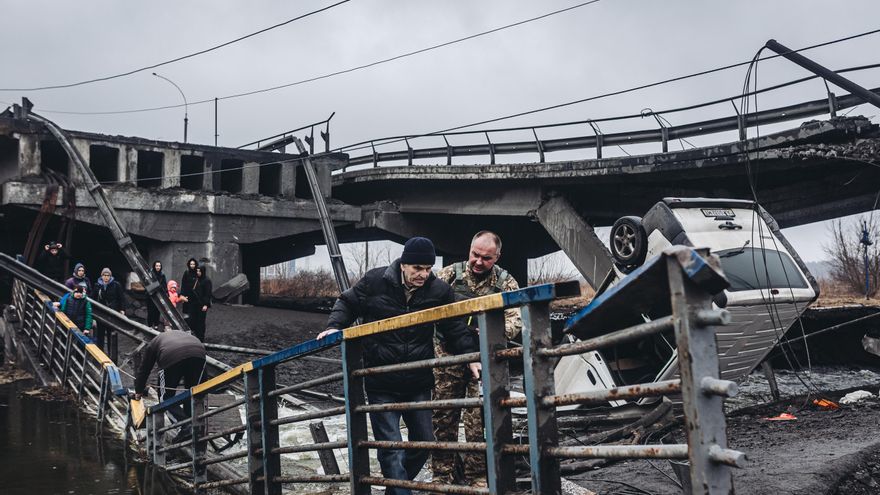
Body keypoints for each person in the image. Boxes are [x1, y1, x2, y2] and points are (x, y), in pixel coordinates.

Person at [317, 237, 480, 495]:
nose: (423, 275)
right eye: (417, 268)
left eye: (428, 269)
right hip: (381, 379)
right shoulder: (375, 282)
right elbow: (347, 303)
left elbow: (455, 327)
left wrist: (470, 356)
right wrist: (334, 327)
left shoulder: (438, 291)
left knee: (425, 443)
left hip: (418, 380)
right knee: (391, 447)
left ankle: (394, 489)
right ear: (403, 264)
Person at [432, 230, 522, 488]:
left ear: (497, 257)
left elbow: (516, 316)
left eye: (486, 258)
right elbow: (427, 305)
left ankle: (478, 479)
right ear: (469, 250)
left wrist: (493, 329)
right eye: (475, 255)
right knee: (443, 421)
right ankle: (442, 479)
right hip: (447, 359)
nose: (479, 262)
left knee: (478, 422)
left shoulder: (505, 281)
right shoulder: (449, 275)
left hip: (484, 362)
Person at [133, 330, 206, 422]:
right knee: (194, 392)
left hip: (171, 356)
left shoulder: (153, 343)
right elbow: (203, 380)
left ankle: (183, 424)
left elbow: (144, 370)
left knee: (165, 399)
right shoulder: (182, 334)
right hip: (198, 353)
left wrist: (138, 391)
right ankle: (193, 423)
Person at [91, 267, 125, 350]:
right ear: (101, 276)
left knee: (111, 333)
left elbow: (121, 298)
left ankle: (111, 353)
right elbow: (92, 298)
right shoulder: (97, 285)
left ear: (110, 276)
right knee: (100, 334)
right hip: (101, 313)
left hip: (112, 312)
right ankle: (100, 352)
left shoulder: (116, 285)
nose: (106, 277)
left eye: (108, 275)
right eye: (104, 275)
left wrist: (122, 309)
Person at [186, 266, 212, 342]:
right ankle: (194, 337)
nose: (198, 273)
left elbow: (208, 293)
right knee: (192, 320)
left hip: (202, 305)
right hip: (194, 304)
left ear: (203, 271)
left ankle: (200, 339)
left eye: (199, 271)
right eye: (197, 271)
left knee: (200, 322)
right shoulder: (196, 279)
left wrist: (206, 305)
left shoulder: (207, 281)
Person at [146, 260, 168, 329]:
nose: (158, 267)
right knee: (150, 311)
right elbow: (147, 284)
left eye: (159, 266)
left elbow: (164, 285)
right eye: (157, 266)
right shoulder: (150, 274)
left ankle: (156, 325)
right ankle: (150, 325)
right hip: (150, 295)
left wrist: (165, 293)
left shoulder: (162, 275)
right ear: (154, 266)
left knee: (157, 310)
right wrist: (157, 286)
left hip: (158, 295)